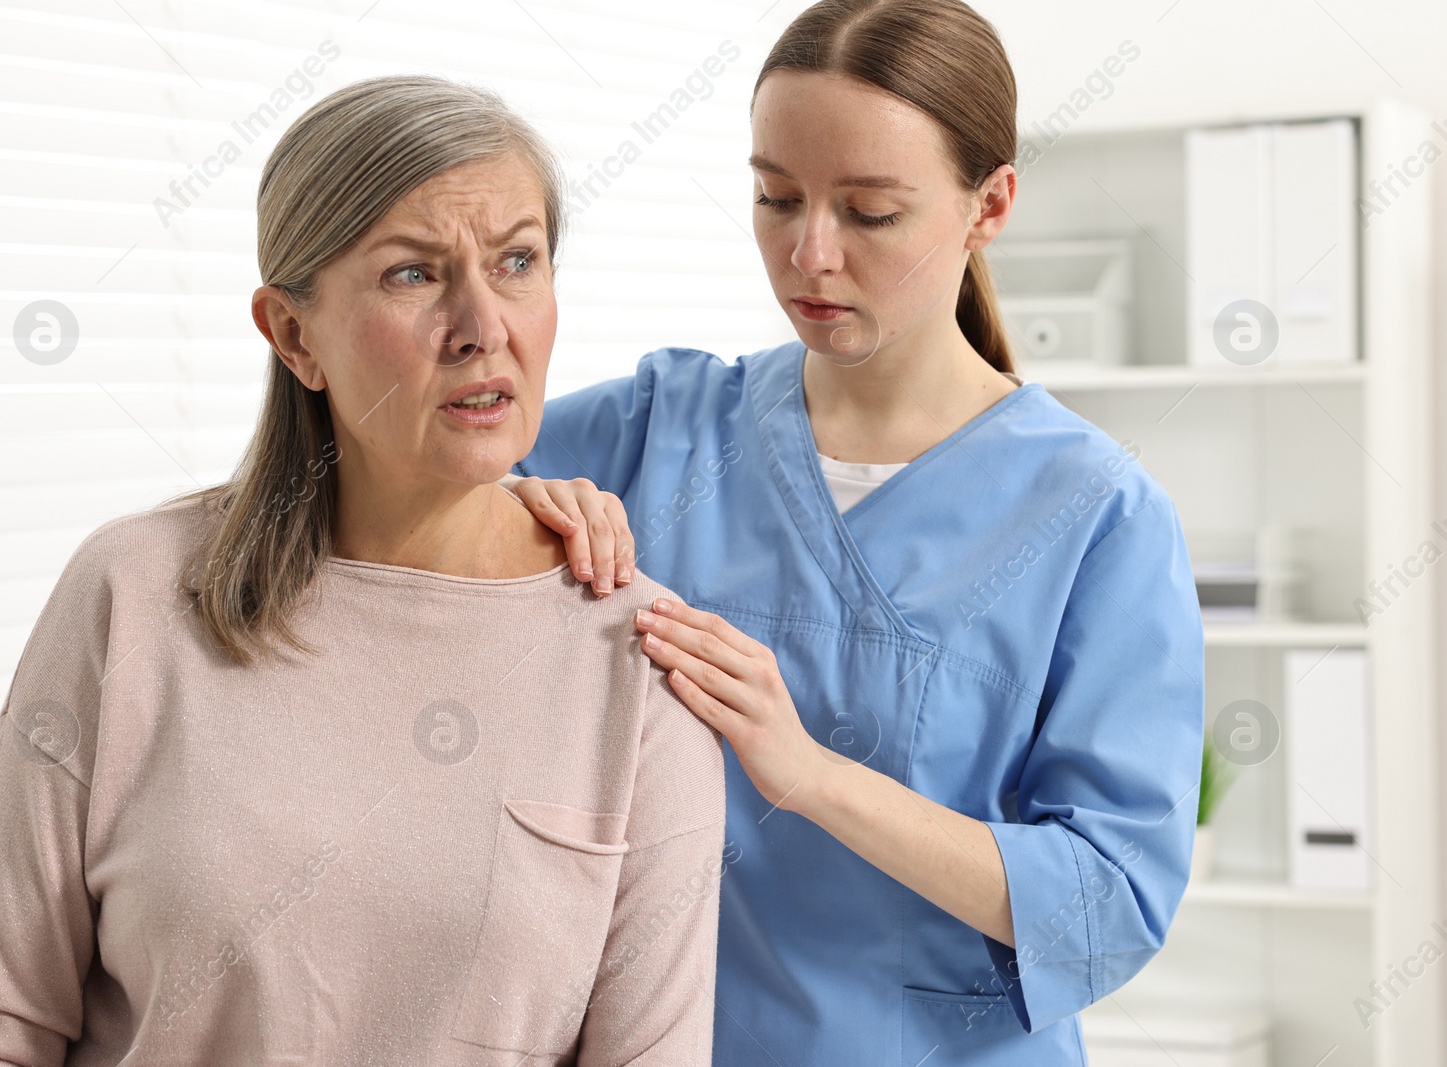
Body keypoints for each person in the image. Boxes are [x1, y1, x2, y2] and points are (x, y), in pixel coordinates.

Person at [0, 75, 725, 1067]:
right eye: (412, 276)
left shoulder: (639, 661)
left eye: (517, 261)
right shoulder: (130, 594)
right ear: (293, 335)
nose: (483, 326)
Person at [507, 1, 1204, 1062]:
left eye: (870, 212)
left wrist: (810, 773)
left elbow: (1108, 902)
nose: (808, 254)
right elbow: (385, 502)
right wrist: (515, 504)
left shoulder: (1093, 515)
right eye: (774, 197)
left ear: (990, 205)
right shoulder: (657, 429)